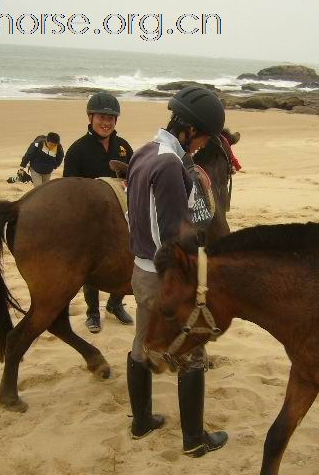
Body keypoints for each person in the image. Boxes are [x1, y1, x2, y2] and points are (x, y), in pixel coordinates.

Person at [126, 87, 228, 457]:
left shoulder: (143, 152)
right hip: (165, 277)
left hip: (140, 270)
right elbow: (174, 237)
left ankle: (141, 423)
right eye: (202, 138)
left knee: (141, 345)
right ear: (189, 131)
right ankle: (195, 440)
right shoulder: (170, 165)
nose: (201, 146)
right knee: (192, 354)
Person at [63, 92, 134, 333]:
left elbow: (133, 178)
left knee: (126, 261)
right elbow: (69, 189)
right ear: (90, 117)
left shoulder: (123, 147)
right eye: (102, 117)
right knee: (90, 266)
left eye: (111, 118)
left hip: (120, 217)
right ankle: (93, 312)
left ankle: (115, 304)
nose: (106, 123)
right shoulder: (77, 150)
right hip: (90, 219)